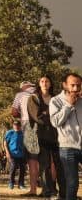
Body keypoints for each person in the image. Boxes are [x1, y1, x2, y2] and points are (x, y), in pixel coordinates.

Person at [29, 75, 64, 198]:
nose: (44, 83)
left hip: (58, 135)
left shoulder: (57, 98)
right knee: (45, 164)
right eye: (42, 81)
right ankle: (47, 191)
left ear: (50, 84)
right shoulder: (34, 98)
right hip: (41, 135)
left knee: (60, 164)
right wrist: (52, 116)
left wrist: (46, 114)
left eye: (47, 81)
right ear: (39, 83)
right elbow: (36, 117)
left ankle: (63, 192)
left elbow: (62, 114)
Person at [49, 72, 82, 200]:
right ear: (64, 85)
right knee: (73, 182)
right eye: (72, 85)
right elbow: (55, 122)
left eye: (78, 85)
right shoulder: (56, 101)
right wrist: (68, 105)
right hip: (68, 148)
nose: (75, 88)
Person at [4, 120, 27, 190]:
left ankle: (21, 184)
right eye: (15, 125)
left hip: (21, 154)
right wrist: (7, 153)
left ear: (20, 126)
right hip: (12, 154)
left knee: (22, 169)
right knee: (13, 168)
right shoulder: (9, 133)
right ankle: (11, 183)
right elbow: (5, 143)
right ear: (13, 125)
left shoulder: (22, 133)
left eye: (18, 125)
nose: (16, 126)